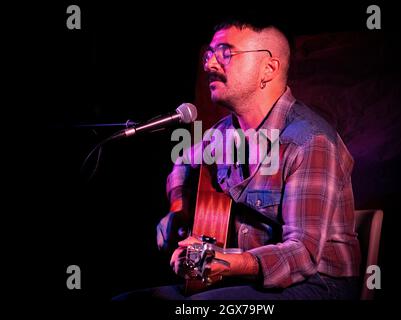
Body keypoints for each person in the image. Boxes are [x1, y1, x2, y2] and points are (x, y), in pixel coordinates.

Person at [115, 18, 361, 300]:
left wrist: (222, 262)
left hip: (319, 284)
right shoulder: (224, 133)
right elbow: (183, 161)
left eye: (226, 53)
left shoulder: (309, 141)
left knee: (201, 305)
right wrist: (179, 208)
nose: (209, 65)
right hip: (246, 281)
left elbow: (302, 253)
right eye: (210, 54)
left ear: (268, 69)